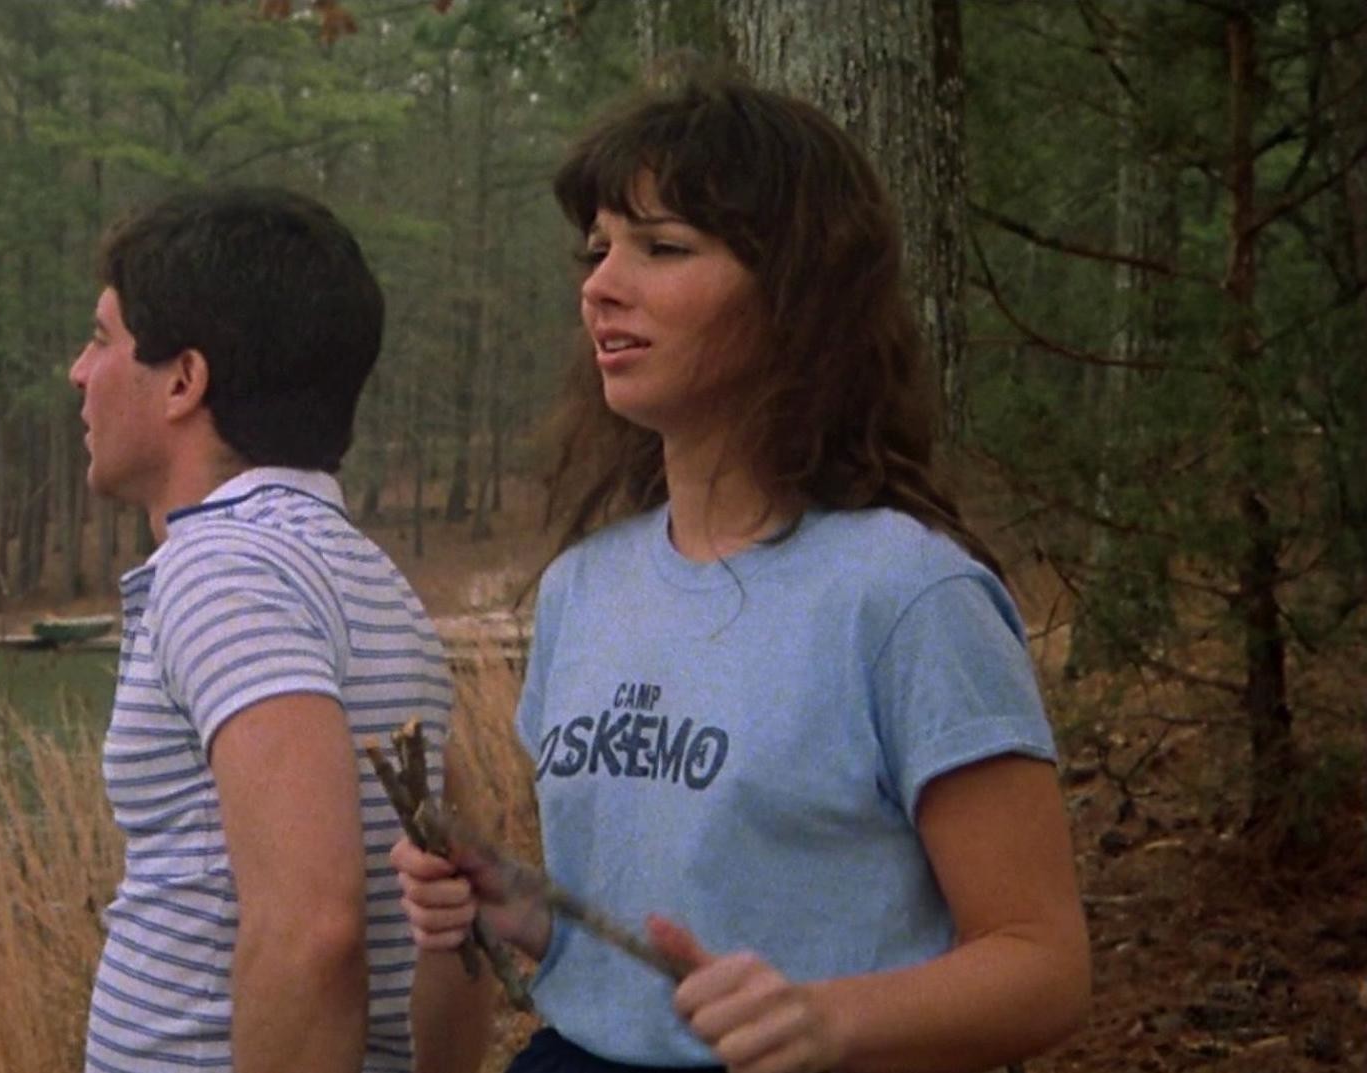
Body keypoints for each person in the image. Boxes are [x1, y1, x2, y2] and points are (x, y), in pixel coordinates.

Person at [393, 77, 1091, 1073]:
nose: (600, 285)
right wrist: (525, 906)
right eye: (597, 249)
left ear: (797, 294)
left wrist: (833, 1018)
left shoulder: (907, 595)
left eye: (663, 247)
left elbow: (1044, 965)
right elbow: (677, 930)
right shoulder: (583, 588)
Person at [71, 187, 480, 1073]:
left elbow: (313, 926)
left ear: (184, 380)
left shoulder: (225, 571)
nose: (78, 371)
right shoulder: (374, 581)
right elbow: (453, 927)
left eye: (102, 340)